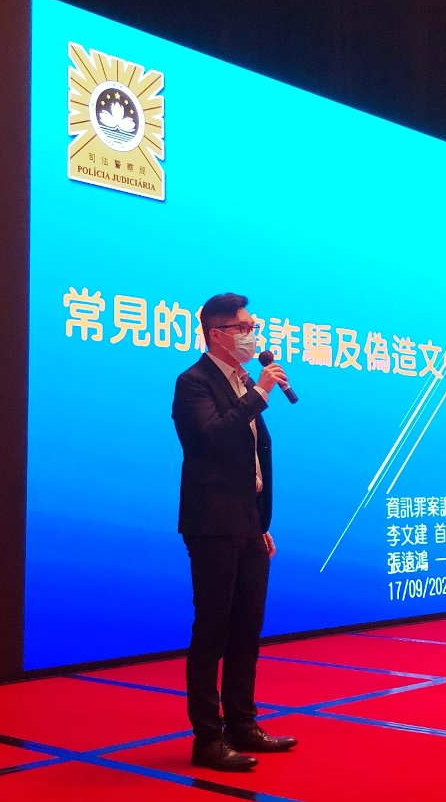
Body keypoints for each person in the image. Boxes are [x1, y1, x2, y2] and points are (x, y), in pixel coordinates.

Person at [171, 292, 298, 772]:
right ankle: (208, 739)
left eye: (253, 326)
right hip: (212, 525)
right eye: (244, 328)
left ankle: (243, 724)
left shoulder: (243, 381)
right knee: (213, 630)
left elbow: (254, 460)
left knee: (247, 628)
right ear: (217, 334)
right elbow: (211, 439)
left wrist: (261, 523)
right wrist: (259, 394)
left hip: (248, 524)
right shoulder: (193, 382)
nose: (253, 335)